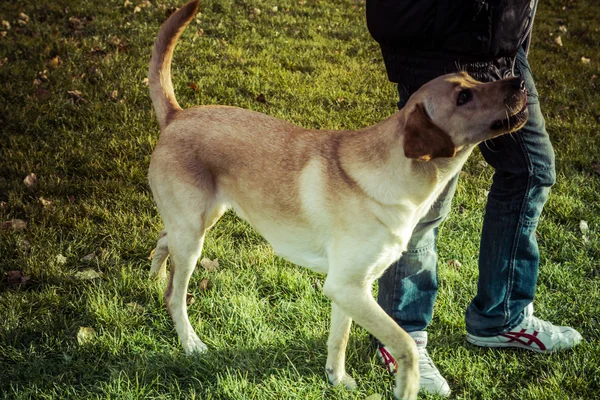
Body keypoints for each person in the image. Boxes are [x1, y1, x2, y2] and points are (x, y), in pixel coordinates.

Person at [366, 0, 583, 396]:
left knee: (531, 169)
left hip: (501, 39)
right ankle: (402, 333)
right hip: (437, 34)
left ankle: (502, 316)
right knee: (424, 197)